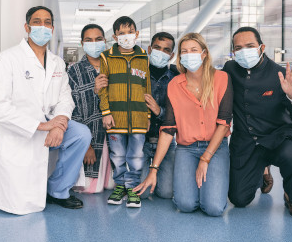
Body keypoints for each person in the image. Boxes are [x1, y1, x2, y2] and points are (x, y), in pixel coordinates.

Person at [0, 6, 91, 215]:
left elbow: (65, 98)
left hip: (48, 125)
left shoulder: (57, 63)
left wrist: (59, 124)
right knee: (18, 202)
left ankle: (58, 191)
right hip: (16, 130)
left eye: (47, 22)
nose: (43, 26)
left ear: (52, 28)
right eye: (37, 21)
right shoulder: (8, 59)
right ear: (27, 27)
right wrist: (41, 126)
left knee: (80, 134)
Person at [134, 33, 233, 217]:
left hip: (216, 147)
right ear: (179, 56)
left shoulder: (222, 78)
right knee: (185, 205)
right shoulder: (175, 84)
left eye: (194, 50)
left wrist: (205, 159)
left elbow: (224, 123)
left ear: (204, 53)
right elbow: (168, 128)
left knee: (213, 208)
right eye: (184, 51)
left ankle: (209, 192)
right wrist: (153, 169)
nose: (189, 55)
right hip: (186, 149)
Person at [223, 26, 292, 220]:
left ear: (261, 47)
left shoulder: (280, 74)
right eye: (238, 48)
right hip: (247, 143)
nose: (243, 51)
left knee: (291, 156)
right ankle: (263, 169)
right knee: (238, 199)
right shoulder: (230, 69)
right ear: (233, 52)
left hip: (278, 139)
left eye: (249, 46)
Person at [98, 16, 151, 207]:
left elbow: (147, 88)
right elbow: (103, 88)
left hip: (138, 116)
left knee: (136, 156)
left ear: (136, 34)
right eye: (121, 33)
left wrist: (147, 115)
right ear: (114, 36)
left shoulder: (143, 56)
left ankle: (132, 188)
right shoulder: (107, 57)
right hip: (115, 117)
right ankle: (120, 185)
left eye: (130, 32)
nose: (126, 36)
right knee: (118, 155)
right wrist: (106, 112)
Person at [67, 24, 114, 193]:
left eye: (98, 39)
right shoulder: (74, 72)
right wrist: (86, 145)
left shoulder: (114, 67)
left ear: (105, 41)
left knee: (112, 185)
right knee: (90, 189)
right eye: (89, 40)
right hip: (91, 137)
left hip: (114, 137)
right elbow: (73, 111)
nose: (94, 43)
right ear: (82, 43)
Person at [138, 32, 178, 199]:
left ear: (172, 55)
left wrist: (158, 111)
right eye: (157, 48)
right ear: (149, 49)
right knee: (142, 193)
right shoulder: (138, 75)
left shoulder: (176, 79)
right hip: (141, 142)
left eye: (166, 50)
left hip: (166, 143)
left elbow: (179, 115)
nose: (161, 53)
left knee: (167, 193)